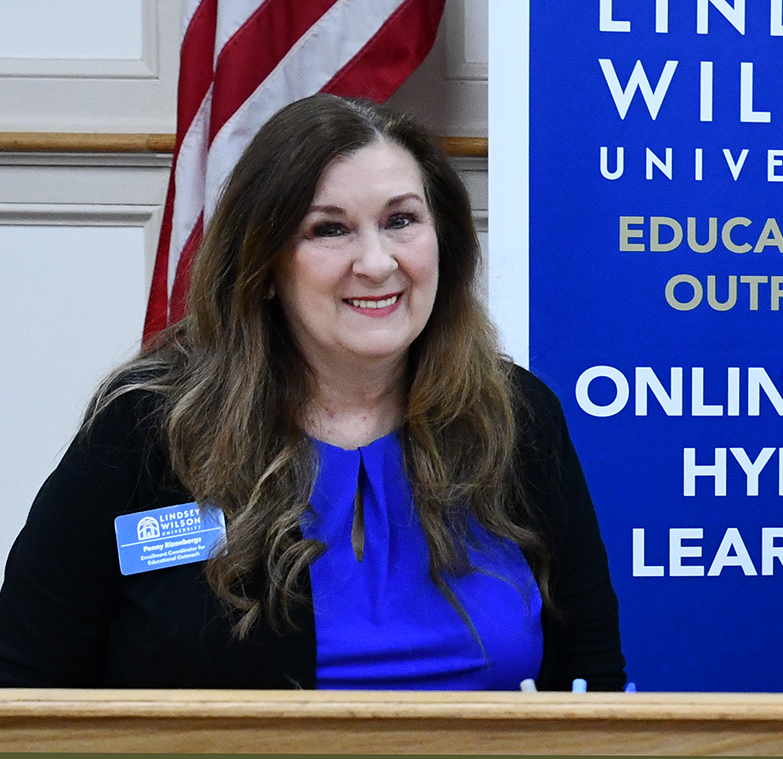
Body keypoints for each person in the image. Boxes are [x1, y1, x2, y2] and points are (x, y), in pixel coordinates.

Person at [0, 96, 625, 689]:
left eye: (401, 221)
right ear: (265, 266)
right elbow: (23, 679)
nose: (377, 263)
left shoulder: (514, 417)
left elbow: (591, 683)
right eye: (330, 230)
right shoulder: (151, 427)